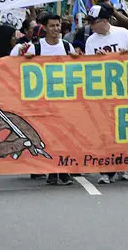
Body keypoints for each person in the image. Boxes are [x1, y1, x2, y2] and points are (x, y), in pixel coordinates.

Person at [14, 15, 77, 186]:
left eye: (58, 26)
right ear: (45, 28)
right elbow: (21, 66)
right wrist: (21, 56)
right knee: (48, 136)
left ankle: (63, 171)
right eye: (52, 26)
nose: (56, 29)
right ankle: (51, 169)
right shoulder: (36, 48)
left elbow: (78, 66)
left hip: (64, 100)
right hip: (43, 101)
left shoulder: (66, 46)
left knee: (64, 136)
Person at [84, 5, 128, 184]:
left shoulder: (123, 34)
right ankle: (106, 169)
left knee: (122, 130)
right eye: (89, 22)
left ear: (104, 21)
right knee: (105, 131)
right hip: (102, 93)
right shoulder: (91, 41)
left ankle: (121, 164)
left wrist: (121, 56)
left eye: (93, 22)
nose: (91, 26)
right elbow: (87, 68)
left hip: (124, 91)